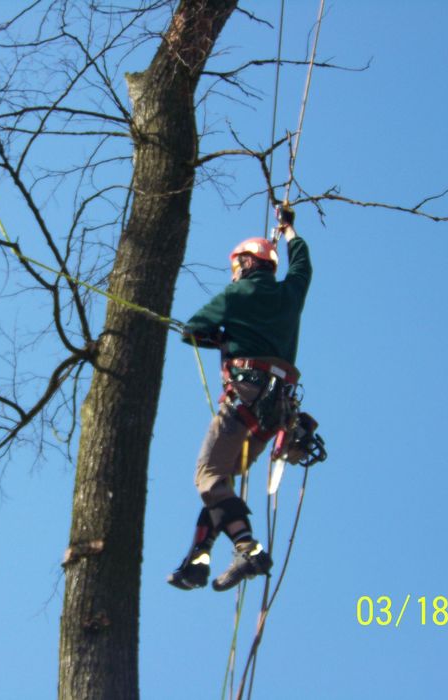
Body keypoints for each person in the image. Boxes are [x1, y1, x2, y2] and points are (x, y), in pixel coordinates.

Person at [168, 207, 312, 592]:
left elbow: (192, 330)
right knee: (222, 484)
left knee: (208, 478)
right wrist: (290, 230)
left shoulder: (237, 293)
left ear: (249, 262)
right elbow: (302, 266)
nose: (235, 271)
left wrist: (221, 337)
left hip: (244, 399)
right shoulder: (290, 294)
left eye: (238, 263)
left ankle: (247, 548)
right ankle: (197, 562)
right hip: (274, 413)